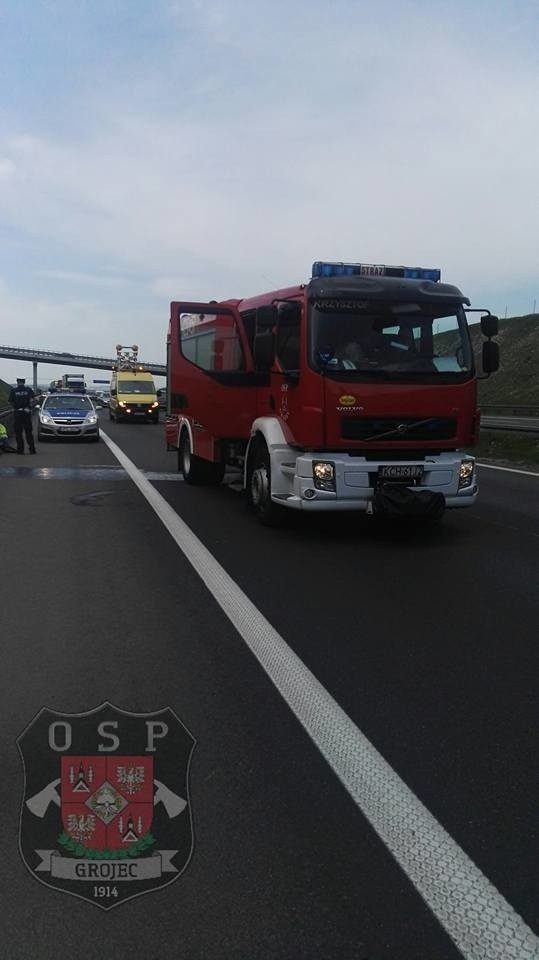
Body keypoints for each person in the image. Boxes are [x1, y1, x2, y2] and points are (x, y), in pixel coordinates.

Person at [8, 377, 36, 454]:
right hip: (26, 413)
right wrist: (29, 407)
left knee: (18, 432)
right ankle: (32, 449)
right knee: (28, 432)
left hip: (18, 413)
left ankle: (20, 450)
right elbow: (34, 399)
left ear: (17, 382)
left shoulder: (13, 390)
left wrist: (16, 406)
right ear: (24, 382)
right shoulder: (28, 390)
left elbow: (10, 402)